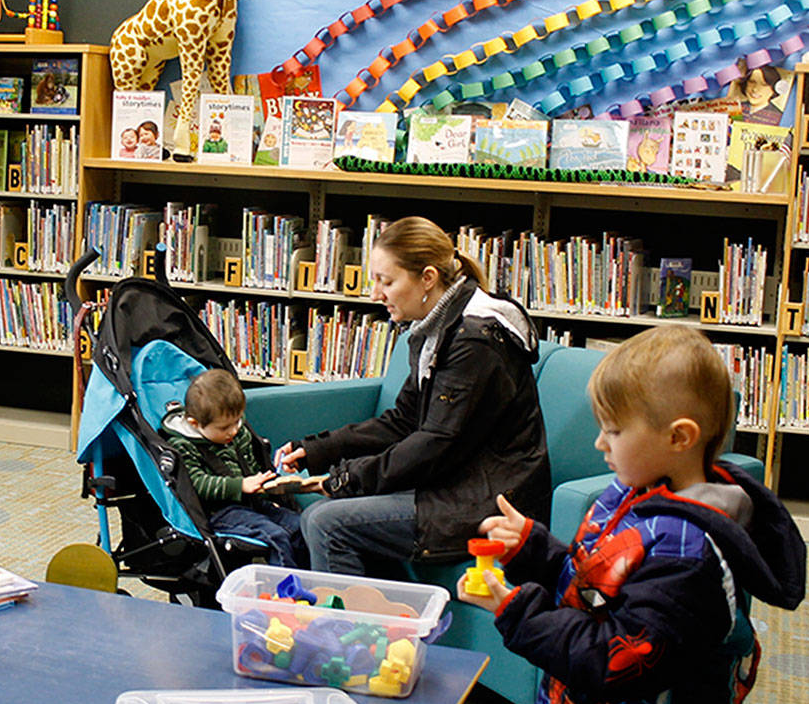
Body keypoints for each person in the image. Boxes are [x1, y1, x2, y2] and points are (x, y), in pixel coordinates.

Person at [457, 326, 806, 704]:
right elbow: (596, 584)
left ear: (679, 437)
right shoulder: (634, 493)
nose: (600, 442)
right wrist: (532, 551)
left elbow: (616, 659)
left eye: (615, 431)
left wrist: (517, 611)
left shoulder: (687, 557)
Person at [276, 215, 550, 578]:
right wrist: (319, 450)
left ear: (428, 279)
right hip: (452, 481)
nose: (375, 294)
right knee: (310, 508)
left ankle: (349, 633)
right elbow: (405, 419)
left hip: (488, 499)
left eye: (386, 281)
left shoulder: (473, 340)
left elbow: (436, 442)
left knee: (325, 522)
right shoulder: (437, 326)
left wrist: (344, 479)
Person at [163, 368, 307, 568]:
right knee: (276, 536)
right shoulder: (184, 446)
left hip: (253, 503)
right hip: (220, 513)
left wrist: (270, 493)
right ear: (194, 423)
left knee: (301, 525)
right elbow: (196, 484)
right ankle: (285, 588)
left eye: (238, 421)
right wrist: (239, 486)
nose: (234, 430)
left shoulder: (237, 434)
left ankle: (310, 577)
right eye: (224, 428)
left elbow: (253, 468)